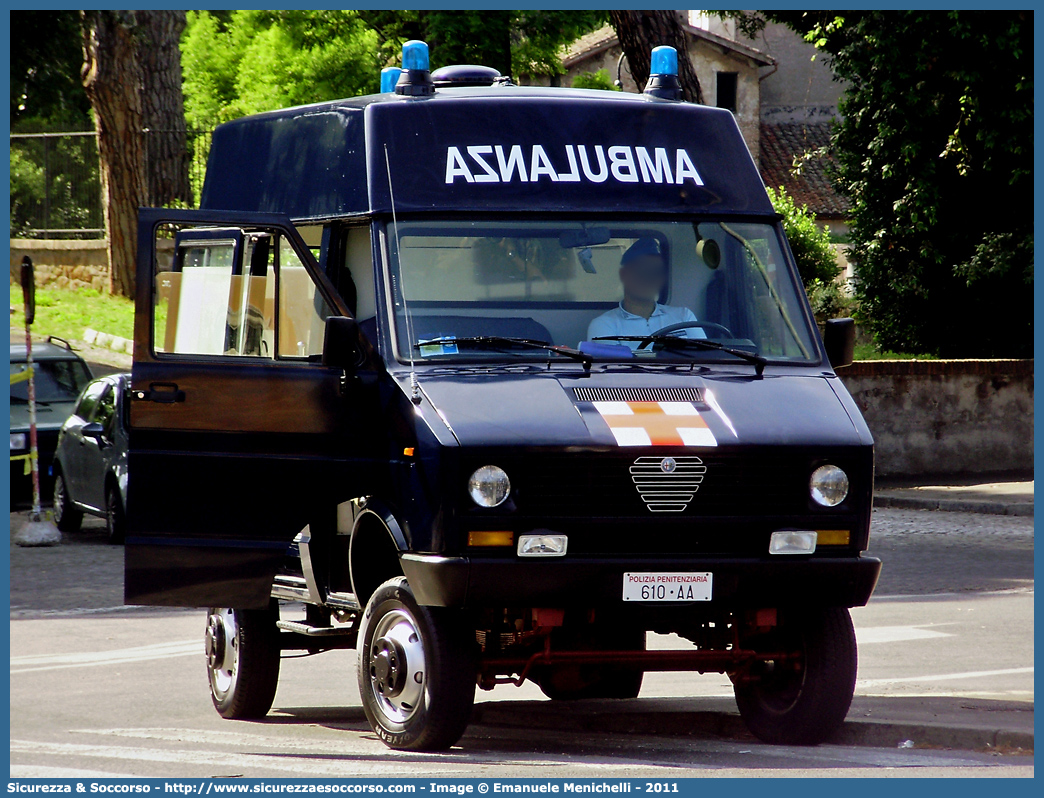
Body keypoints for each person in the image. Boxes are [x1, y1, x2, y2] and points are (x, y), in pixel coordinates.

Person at [586, 237, 705, 347]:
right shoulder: (604, 325)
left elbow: (704, 359)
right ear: (624, 275)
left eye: (655, 271)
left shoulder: (683, 317)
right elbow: (610, 368)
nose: (648, 277)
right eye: (641, 270)